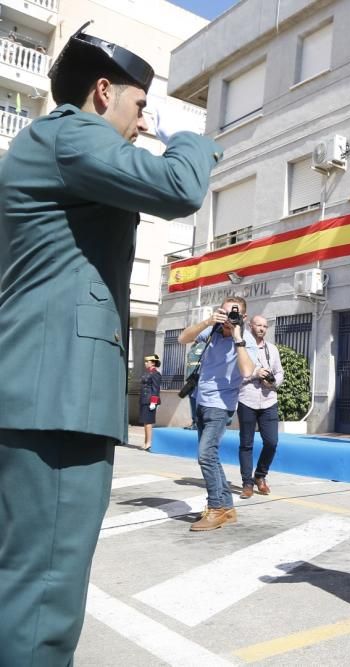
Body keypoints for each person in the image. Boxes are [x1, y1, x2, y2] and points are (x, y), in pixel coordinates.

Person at [0, 22, 221, 664]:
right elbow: (178, 188)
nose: (140, 121)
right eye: (138, 104)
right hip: (56, 396)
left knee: (28, 580)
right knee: (44, 593)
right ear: (103, 92)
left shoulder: (50, 147)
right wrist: (192, 143)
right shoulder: (71, 135)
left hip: (41, 390)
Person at [177, 297, 257, 531]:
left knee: (205, 454)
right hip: (201, 400)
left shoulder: (245, 339)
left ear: (243, 318)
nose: (227, 317)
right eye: (223, 312)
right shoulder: (212, 329)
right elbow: (183, 338)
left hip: (221, 406)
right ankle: (228, 508)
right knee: (211, 455)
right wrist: (208, 321)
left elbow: (247, 371)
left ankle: (216, 509)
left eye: (233, 314)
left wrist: (238, 337)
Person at [237, 315, 284, 499]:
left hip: (269, 400)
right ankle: (247, 483)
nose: (262, 328)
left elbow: (279, 372)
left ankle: (260, 475)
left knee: (272, 442)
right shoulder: (241, 348)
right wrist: (256, 374)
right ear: (250, 326)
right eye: (259, 325)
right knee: (246, 443)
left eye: (265, 326)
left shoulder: (272, 349)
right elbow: (237, 374)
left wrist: (272, 383)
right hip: (247, 399)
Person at [139, 354, 162, 451]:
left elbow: (156, 389)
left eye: (147, 362)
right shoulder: (147, 373)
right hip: (144, 400)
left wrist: (153, 402)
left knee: (148, 422)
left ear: (152, 363)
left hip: (150, 401)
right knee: (145, 422)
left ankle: (148, 443)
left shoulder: (156, 374)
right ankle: (145, 442)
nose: (145, 363)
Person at [185, 341, 206, 429]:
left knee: (198, 401)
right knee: (192, 400)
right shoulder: (193, 346)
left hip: (198, 377)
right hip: (190, 378)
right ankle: (194, 421)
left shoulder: (204, 345)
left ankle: (199, 422)